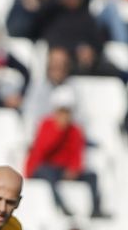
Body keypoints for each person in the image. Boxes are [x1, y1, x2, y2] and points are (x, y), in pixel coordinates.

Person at [25, 88, 103, 217]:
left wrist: (74, 169)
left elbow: (77, 153)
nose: (64, 115)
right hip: (42, 167)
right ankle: (60, 206)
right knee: (48, 173)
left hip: (63, 169)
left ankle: (95, 209)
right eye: (62, 111)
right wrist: (58, 131)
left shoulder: (76, 130)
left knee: (92, 176)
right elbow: (42, 151)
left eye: (67, 111)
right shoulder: (46, 124)